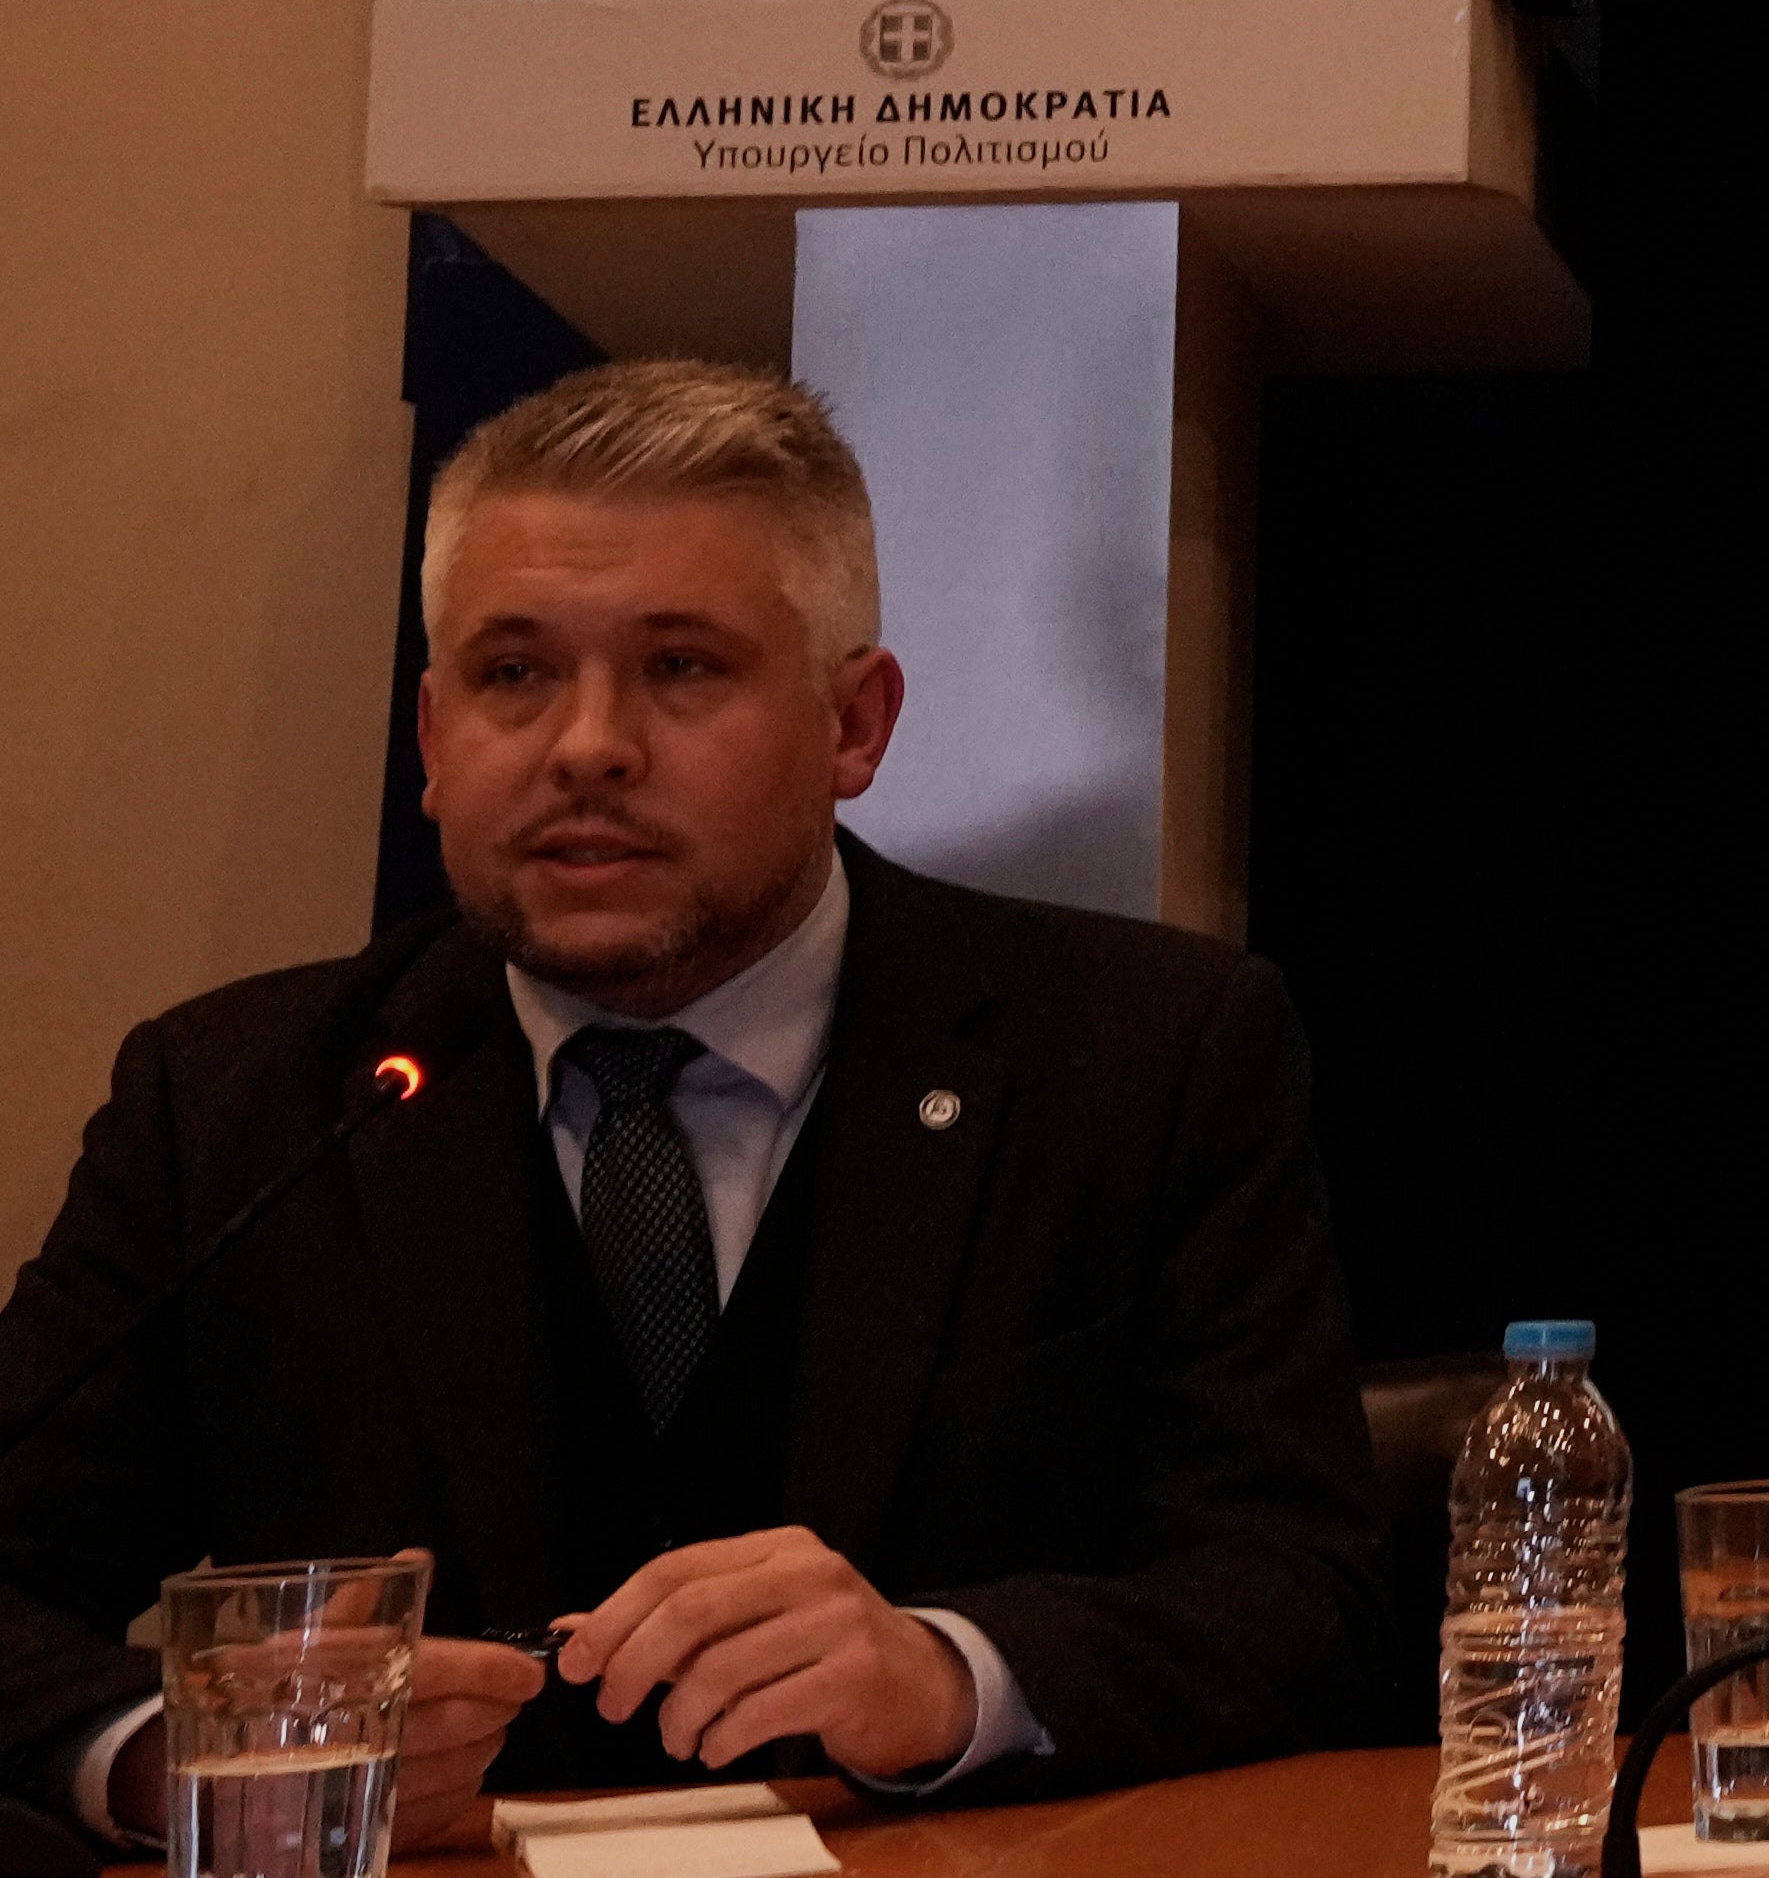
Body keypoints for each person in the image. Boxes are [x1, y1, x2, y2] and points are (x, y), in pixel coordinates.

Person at [0, 367, 1372, 1842]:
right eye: (513, 672)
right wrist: (189, 1758)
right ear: (430, 738)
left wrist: (951, 1673)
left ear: (856, 722)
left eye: (681, 667)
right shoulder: (229, 1102)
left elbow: (1298, 1585)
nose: (588, 744)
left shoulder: (1143, 1052)